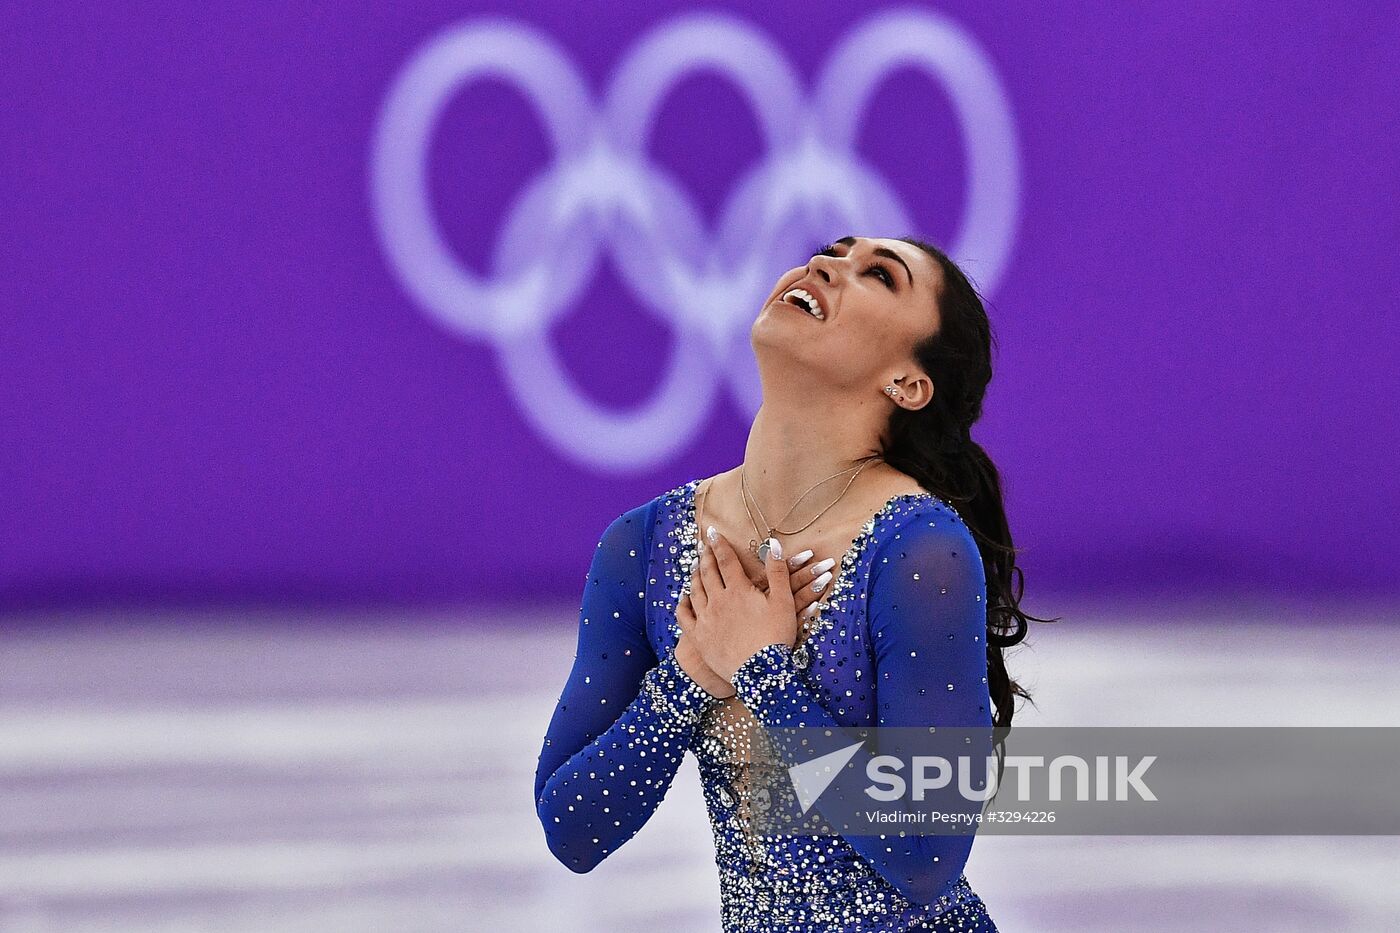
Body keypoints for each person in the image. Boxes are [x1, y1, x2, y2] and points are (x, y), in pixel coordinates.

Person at [535, 236, 1049, 931]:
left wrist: (762, 672)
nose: (827, 265)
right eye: (830, 251)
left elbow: (928, 856)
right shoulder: (644, 547)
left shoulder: (919, 551)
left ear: (907, 383)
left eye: (878, 274)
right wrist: (692, 673)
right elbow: (571, 830)